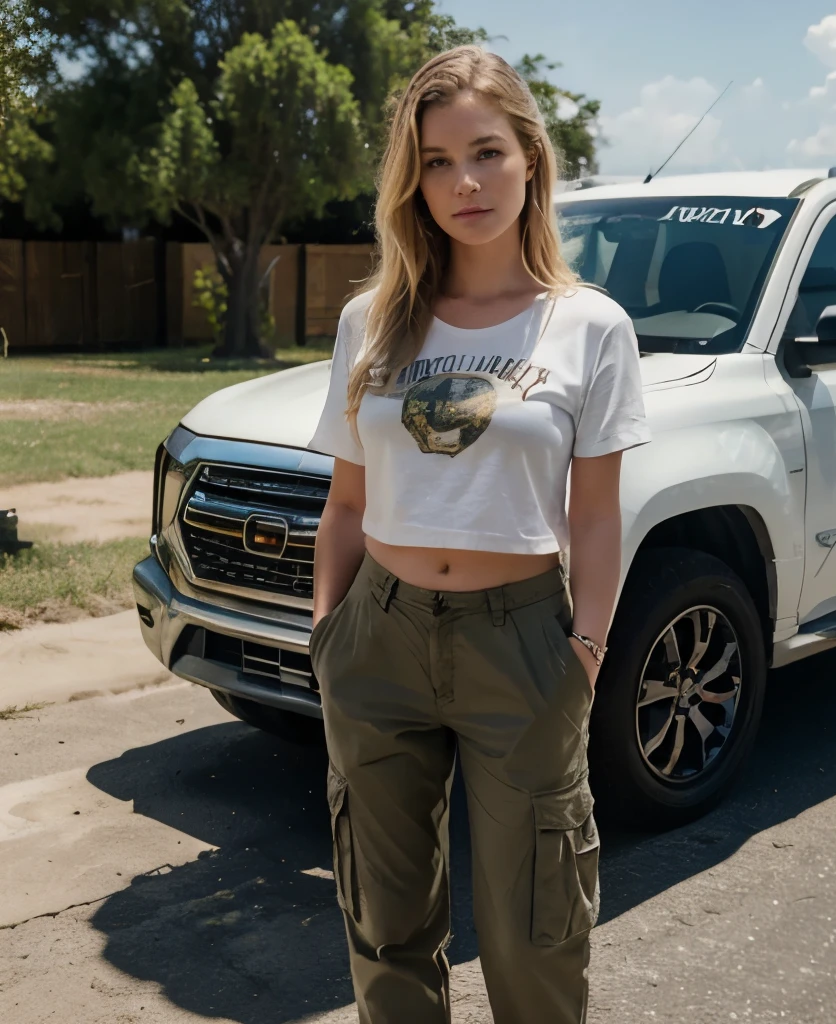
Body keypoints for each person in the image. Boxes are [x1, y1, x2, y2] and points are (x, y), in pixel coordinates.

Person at [305, 44, 651, 1024]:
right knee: (383, 926)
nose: (464, 181)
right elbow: (343, 501)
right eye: (437, 160)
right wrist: (329, 634)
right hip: (378, 634)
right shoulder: (371, 321)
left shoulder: (588, 326)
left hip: (523, 640)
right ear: (410, 180)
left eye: (487, 152)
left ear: (531, 160)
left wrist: (582, 650)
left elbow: (594, 512)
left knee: (535, 932)